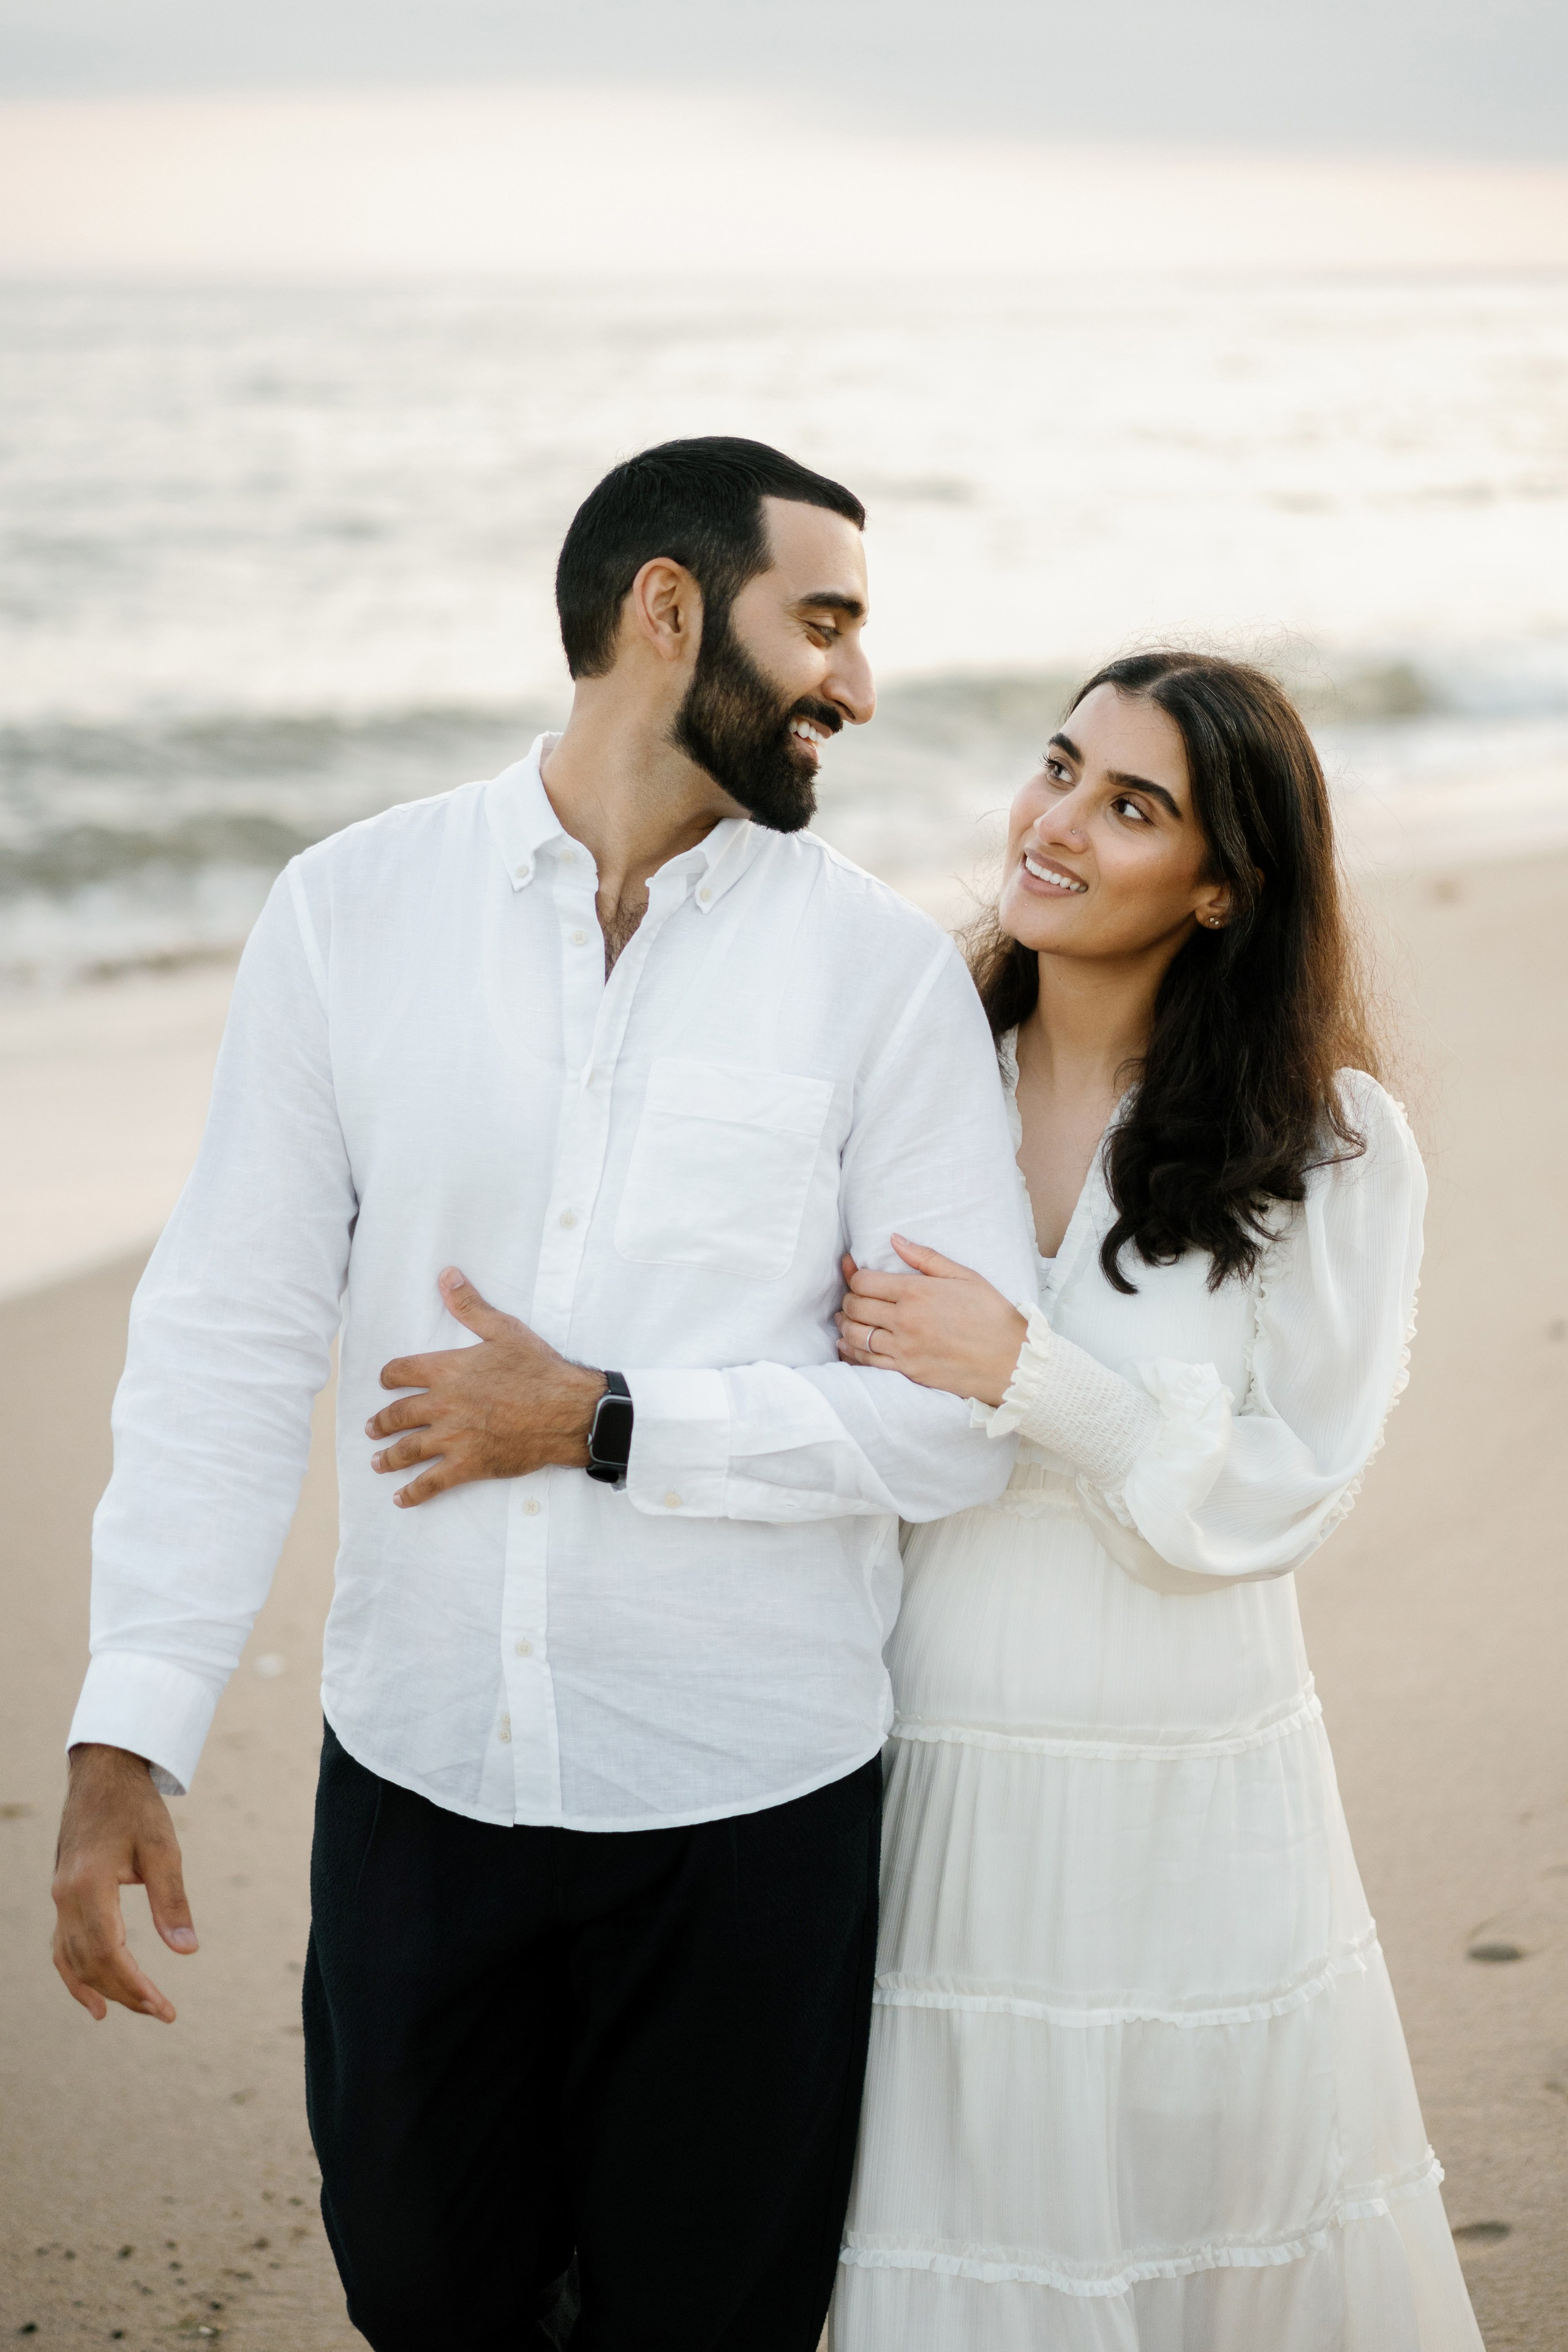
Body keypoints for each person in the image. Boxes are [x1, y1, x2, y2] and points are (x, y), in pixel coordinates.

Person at [48, 437, 1037, 2352]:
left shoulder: (880, 981)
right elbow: (232, 1333)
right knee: (426, 2295)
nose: (858, 683)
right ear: (666, 611)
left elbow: (951, 1418)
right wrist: (127, 1730)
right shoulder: (350, 913)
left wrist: (606, 1419)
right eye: (821, 622)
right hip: (421, 1780)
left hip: (750, 1809)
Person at [829, 652, 1483, 2350]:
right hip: (932, 1756)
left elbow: (1288, 1487)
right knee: (953, 2225)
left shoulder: (1329, 1144)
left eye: (1132, 808)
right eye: (1059, 770)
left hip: (1188, 1774)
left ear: (1221, 886)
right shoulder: (909, 1081)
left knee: (1204, 2226)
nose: (1056, 825)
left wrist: (1026, 1373)